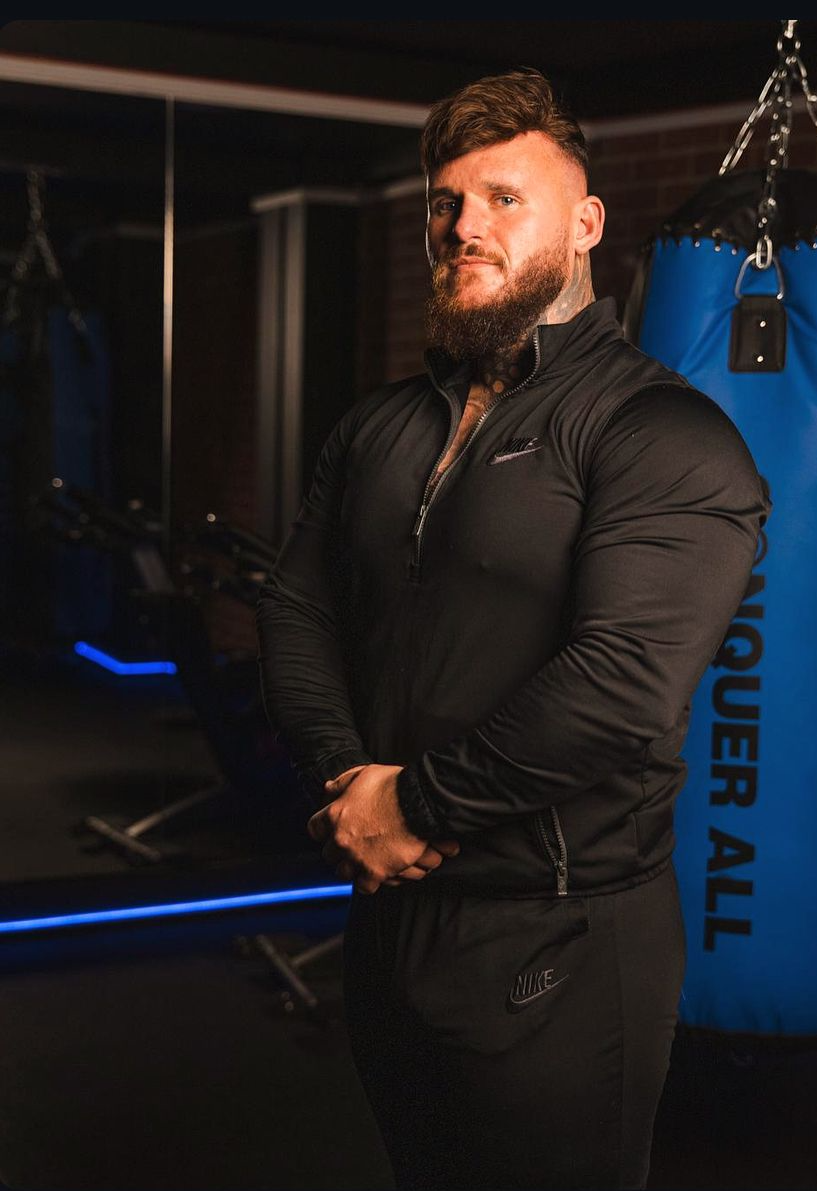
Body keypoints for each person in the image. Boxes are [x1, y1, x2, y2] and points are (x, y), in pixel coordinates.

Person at [256, 68, 770, 1191]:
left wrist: (416, 806)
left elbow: (622, 684)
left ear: (583, 226)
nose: (462, 227)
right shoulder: (380, 424)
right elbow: (297, 605)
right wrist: (352, 784)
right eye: (445, 203)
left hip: (560, 935)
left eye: (501, 198)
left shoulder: (662, 436)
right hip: (392, 908)